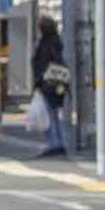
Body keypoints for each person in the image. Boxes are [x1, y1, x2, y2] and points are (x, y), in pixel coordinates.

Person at [31, 16, 67, 157]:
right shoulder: (57, 41)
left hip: (47, 83)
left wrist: (39, 81)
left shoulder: (45, 43)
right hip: (58, 84)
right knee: (54, 114)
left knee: (49, 114)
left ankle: (53, 144)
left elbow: (43, 64)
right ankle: (58, 143)